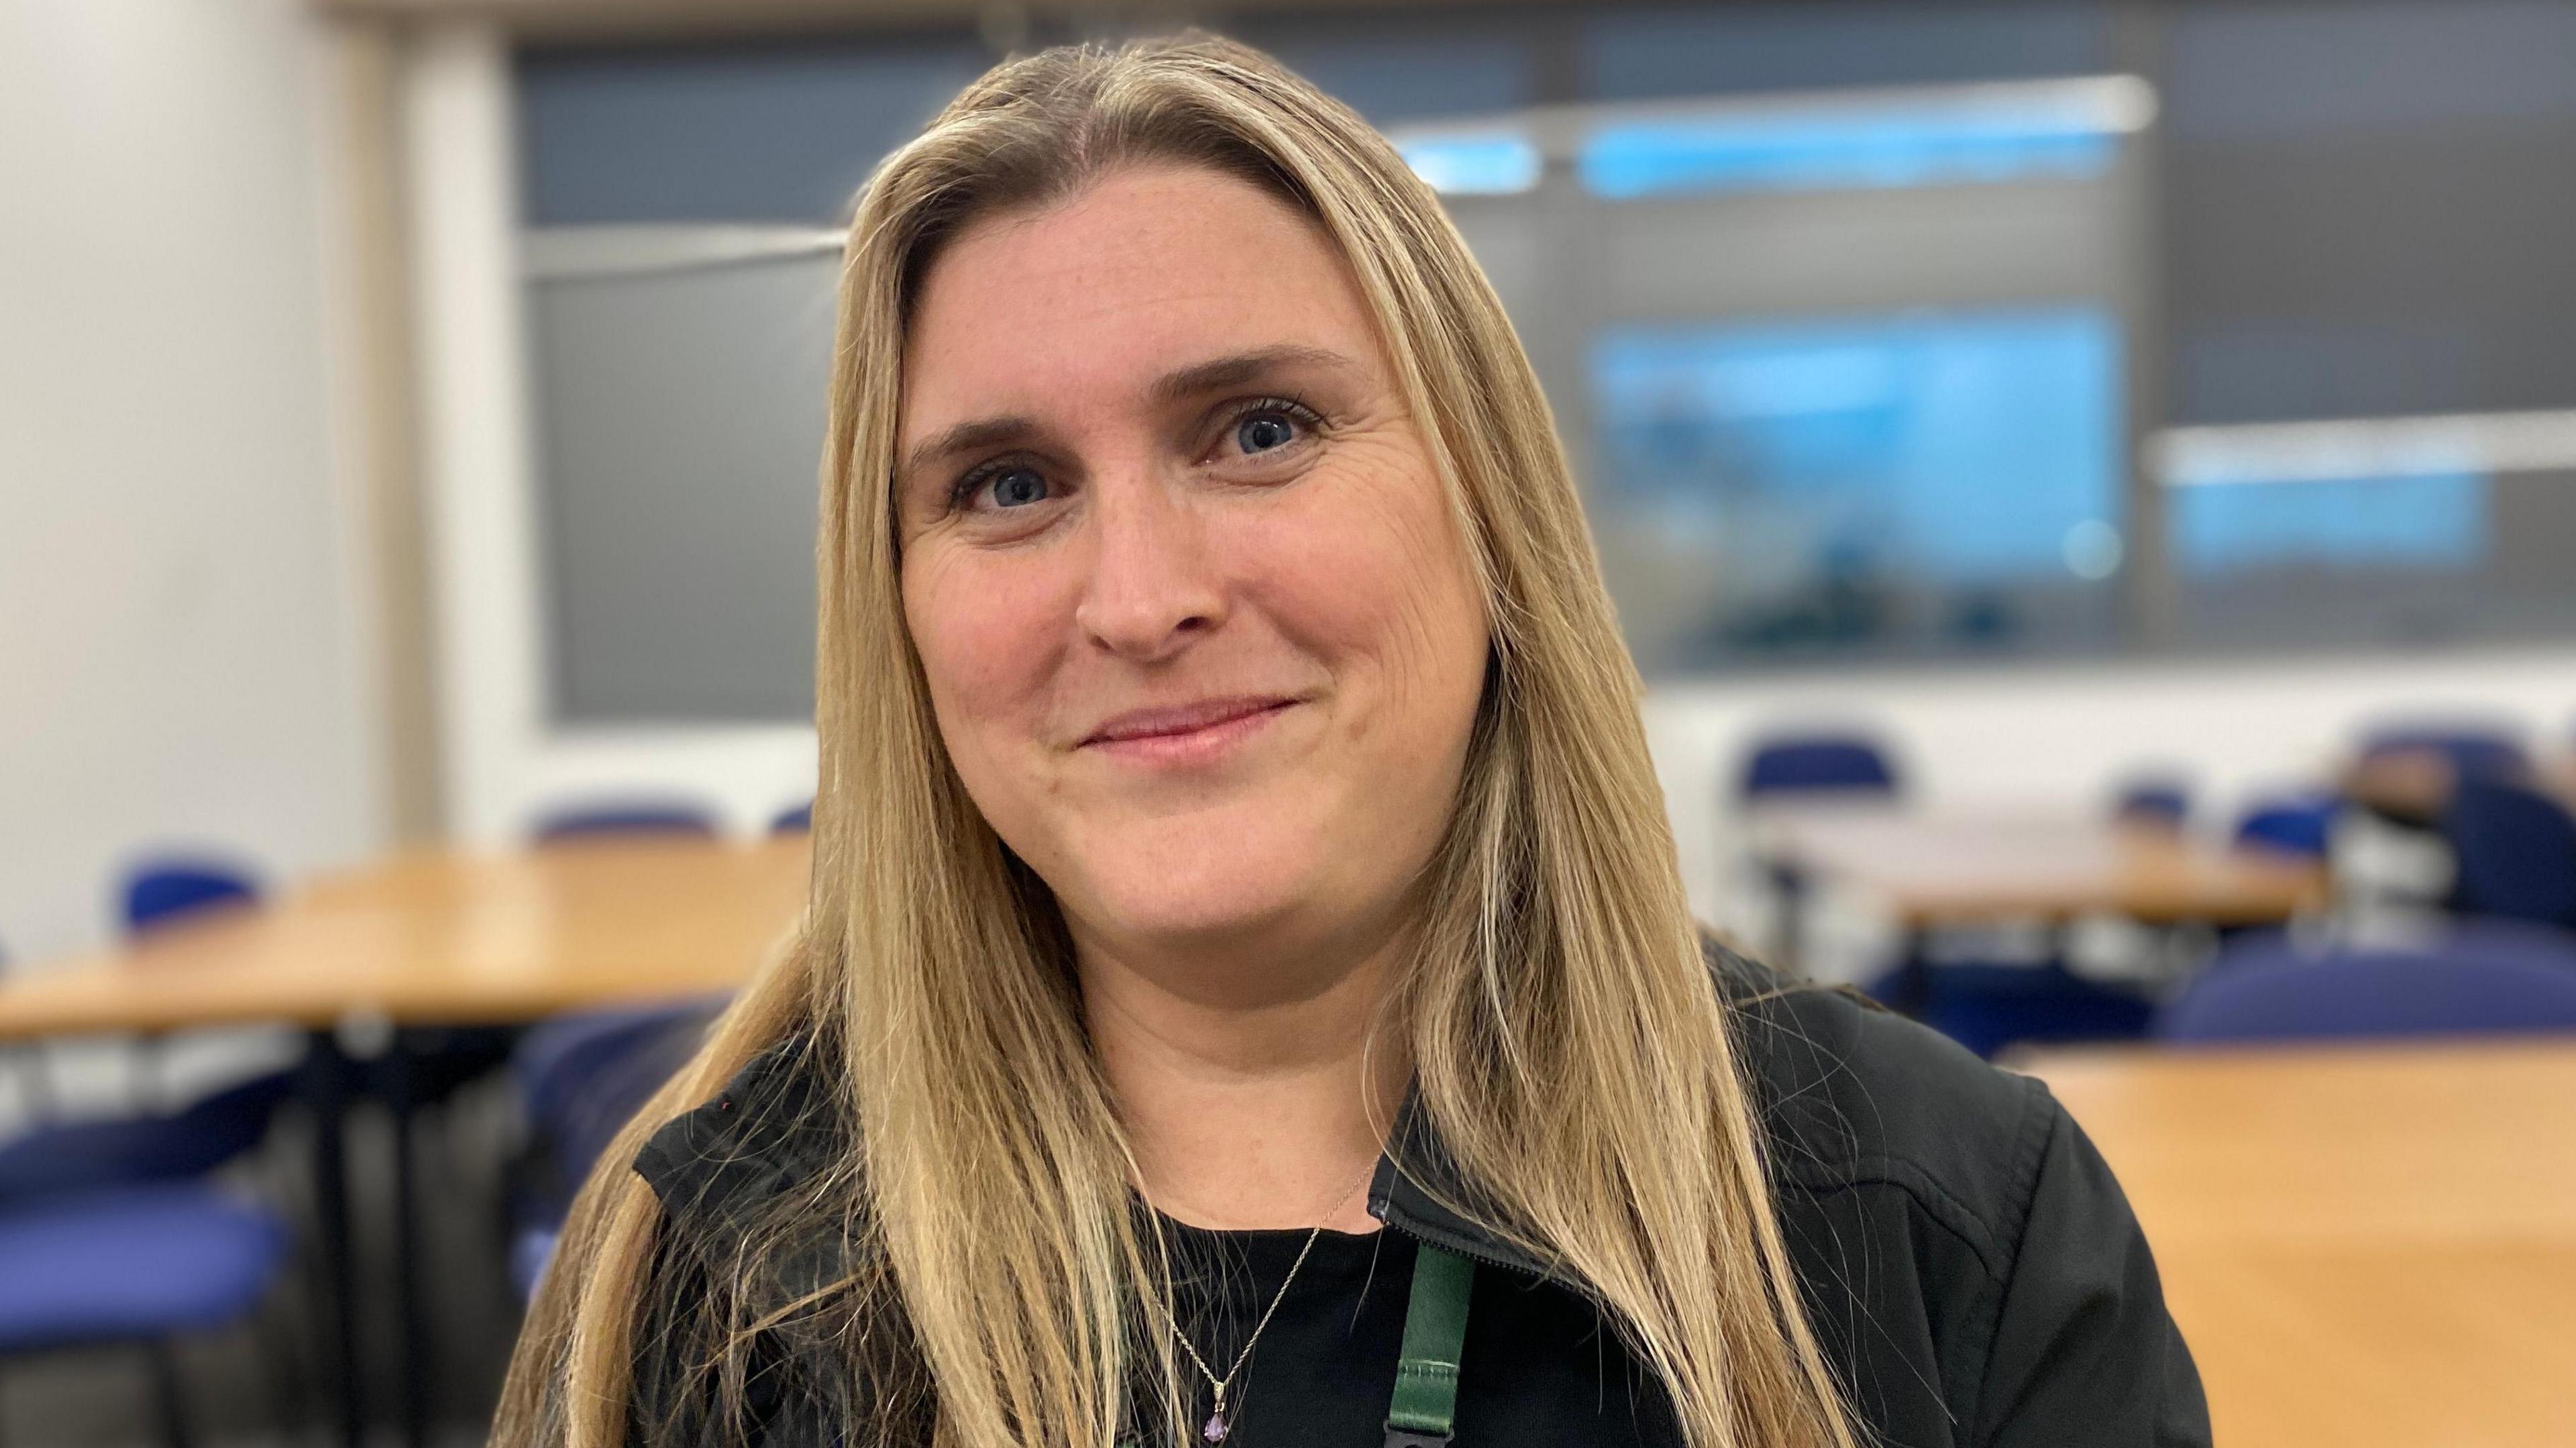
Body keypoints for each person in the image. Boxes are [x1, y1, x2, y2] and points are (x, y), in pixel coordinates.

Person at [496, 34, 2206, 1448]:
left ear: (1490, 514)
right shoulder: (711, 1285)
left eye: (1260, 430)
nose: (1140, 597)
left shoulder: (1945, 1234)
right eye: (1007, 488)